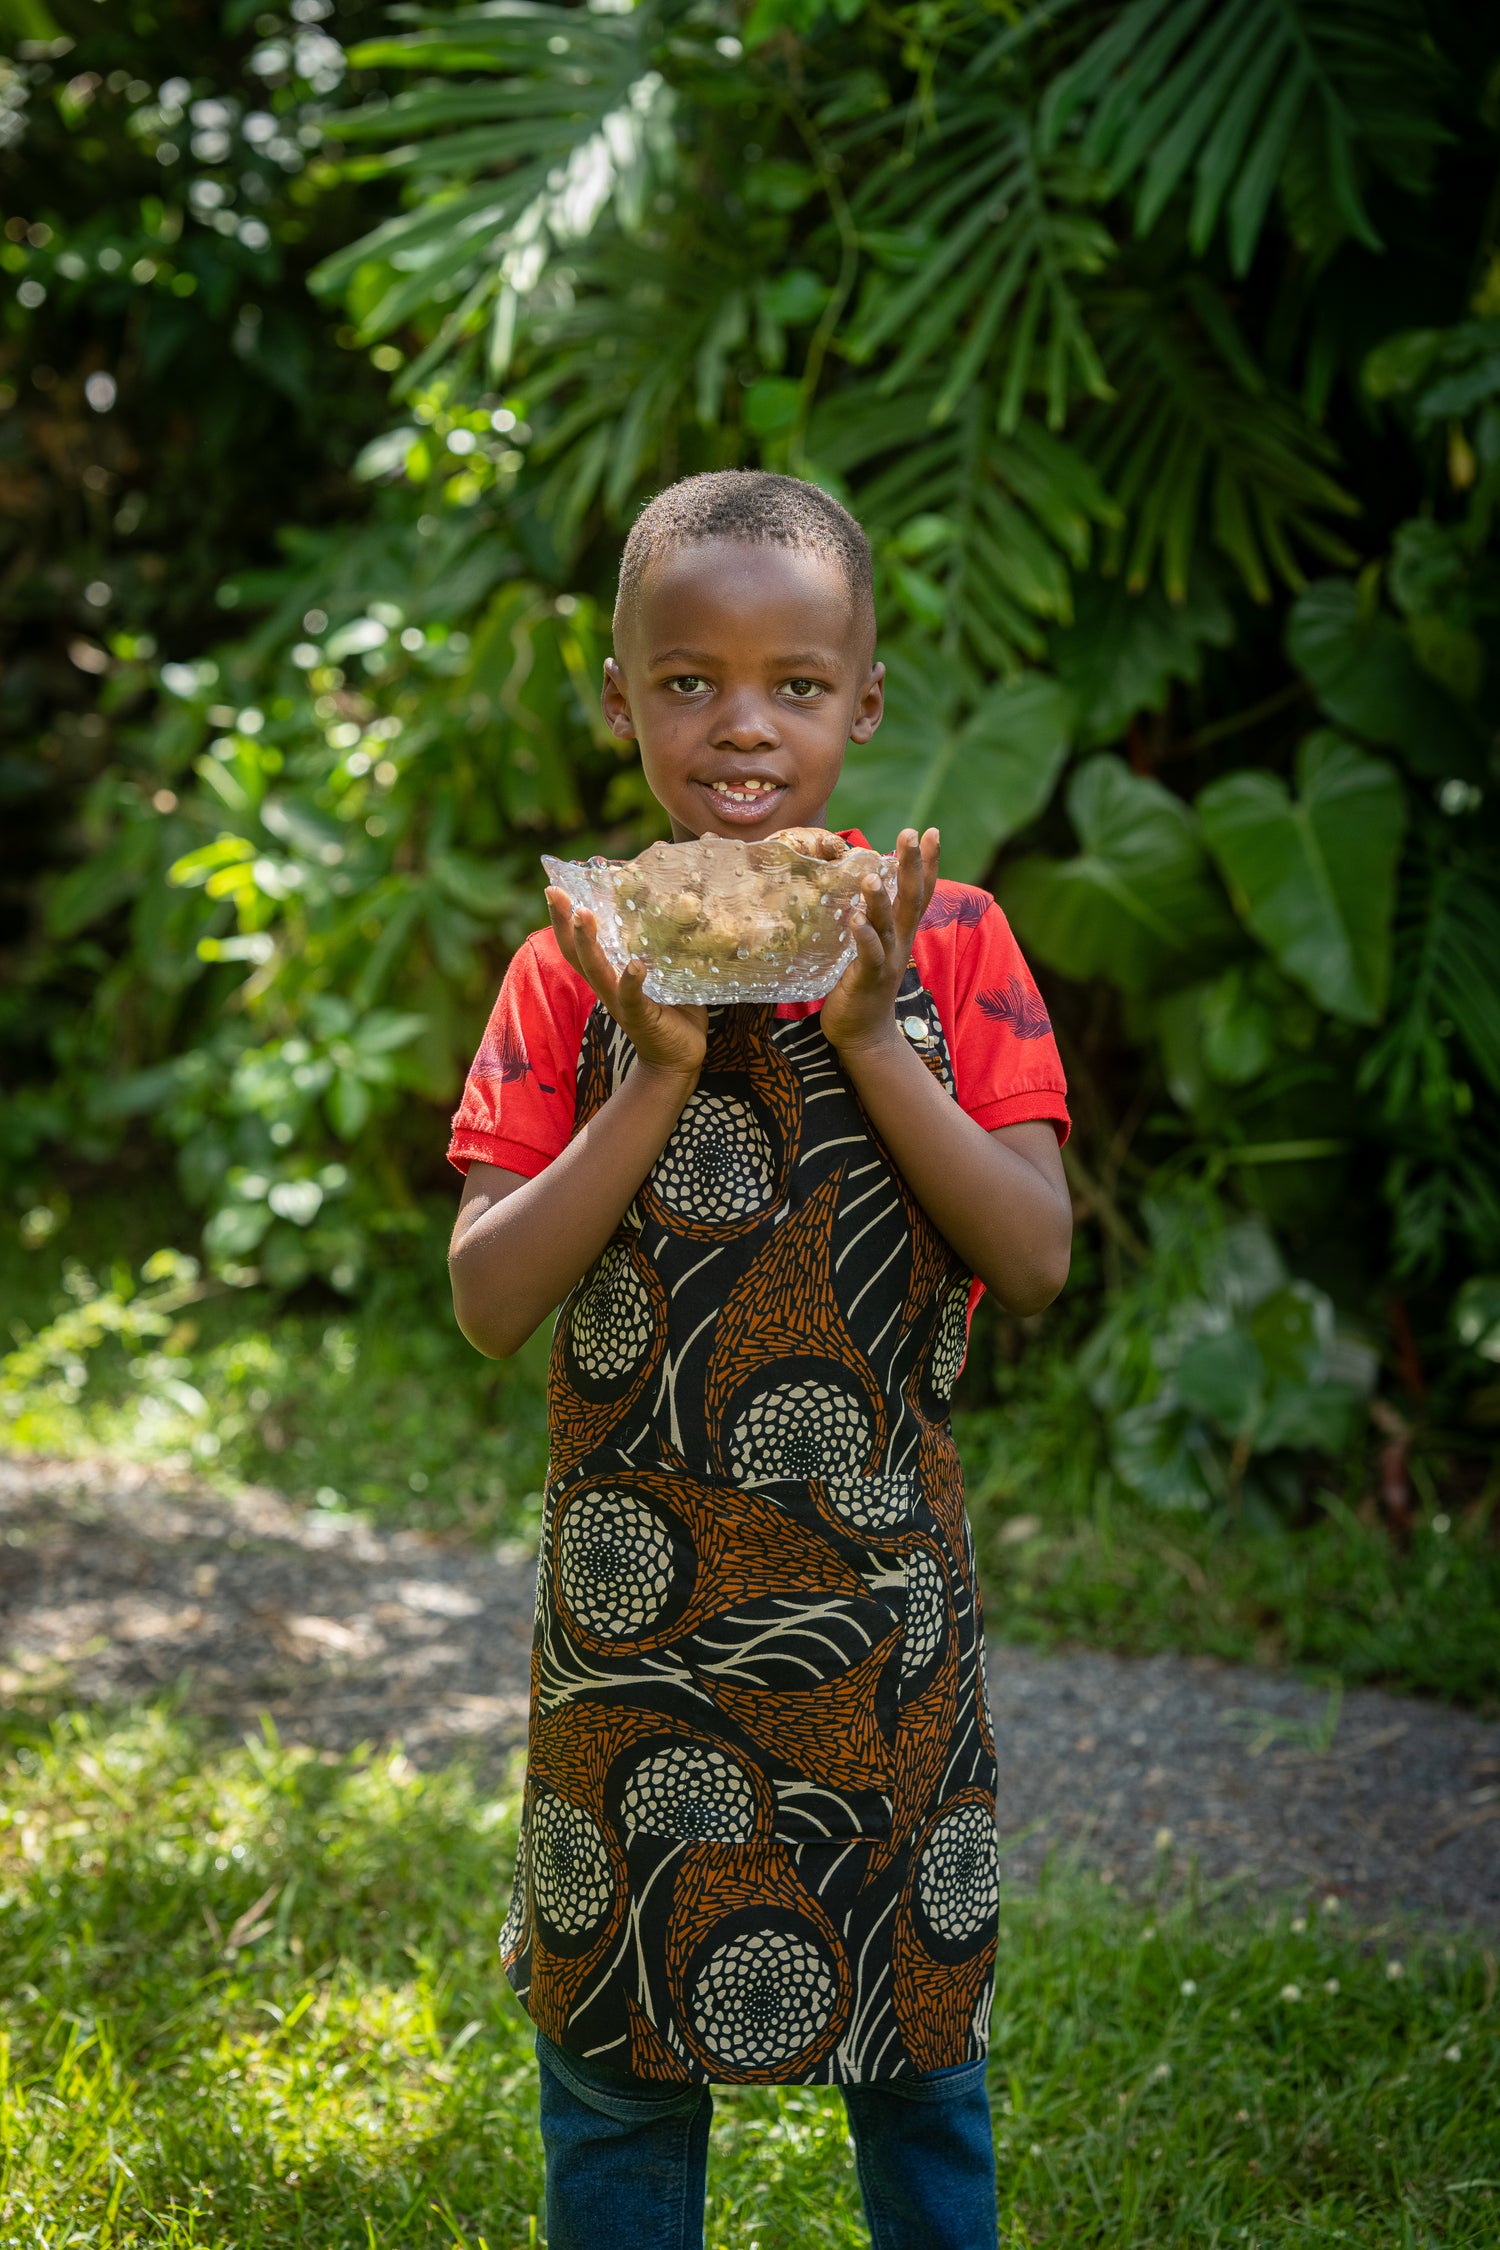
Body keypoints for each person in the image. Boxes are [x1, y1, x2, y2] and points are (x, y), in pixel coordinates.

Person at [446, 470, 1073, 2250]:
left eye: (798, 684)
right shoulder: (569, 969)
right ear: (625, 693)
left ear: (866, 703)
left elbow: (1031, 1257)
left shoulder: (954, 946)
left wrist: (874, 1035)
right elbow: (491, 1298)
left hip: (880, 1621)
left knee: (921, 2063)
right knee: (619, 2076)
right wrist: (651, 1064)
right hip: (634, 1637)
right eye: (690, 679)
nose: (744, 725)